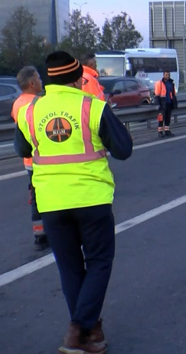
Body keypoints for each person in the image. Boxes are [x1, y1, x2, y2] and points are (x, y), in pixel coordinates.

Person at [14, 51, 133, 353]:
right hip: (91, 199)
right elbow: (123, 150)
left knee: (69, 268)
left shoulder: (31, 110)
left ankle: (90, 333)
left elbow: (21, 147)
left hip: (51, 202)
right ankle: (78, 330)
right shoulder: (92, 107)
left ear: (49, 78)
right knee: (99, 262)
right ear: (79, 77)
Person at [12, 66, 48, 250]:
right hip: (43, 158)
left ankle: (39, 234)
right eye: (39, 78)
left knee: (35, 196)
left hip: (29, 161)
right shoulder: (38, 103)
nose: (41, 81)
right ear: (32, 83)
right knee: (49, 196)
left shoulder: (17, 103)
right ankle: (52, 233)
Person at [154, 71, 178, 137]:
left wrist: (175, 103)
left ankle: (167, 130)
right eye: (166, 75)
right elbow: (157, 94)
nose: (167, 76)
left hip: (169, 103)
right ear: (163, 75)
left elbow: (173, 94)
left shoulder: (171, 83)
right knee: (161, 118)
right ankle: (160, 132)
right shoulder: (160, 83)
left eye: (168, 75)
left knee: (168, 118)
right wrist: (158, 104)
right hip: (162, 103)